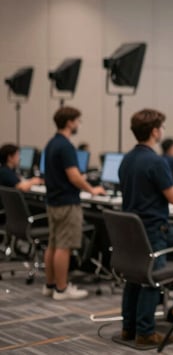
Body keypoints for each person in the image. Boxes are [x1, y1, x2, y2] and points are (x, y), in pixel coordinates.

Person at [119, 109, 173, 348]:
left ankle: (129, 327)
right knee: (155, 274)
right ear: (155, 131)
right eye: (162, 127)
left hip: (133, 233)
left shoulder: (127, 159)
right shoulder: (155, 161)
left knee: (134, 274)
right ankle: (153, 327)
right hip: (154, 231)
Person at [42, 106, 106, 300]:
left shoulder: (52, 143)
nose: (79, 124)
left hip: (53, 201)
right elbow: (74, 177)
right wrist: (92, 189)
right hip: (67, 202)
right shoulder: (66, 146)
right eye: (78, 120)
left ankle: (50, 285)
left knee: (53, 244)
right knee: (64, 246)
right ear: (70, 122)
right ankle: (61, 290)